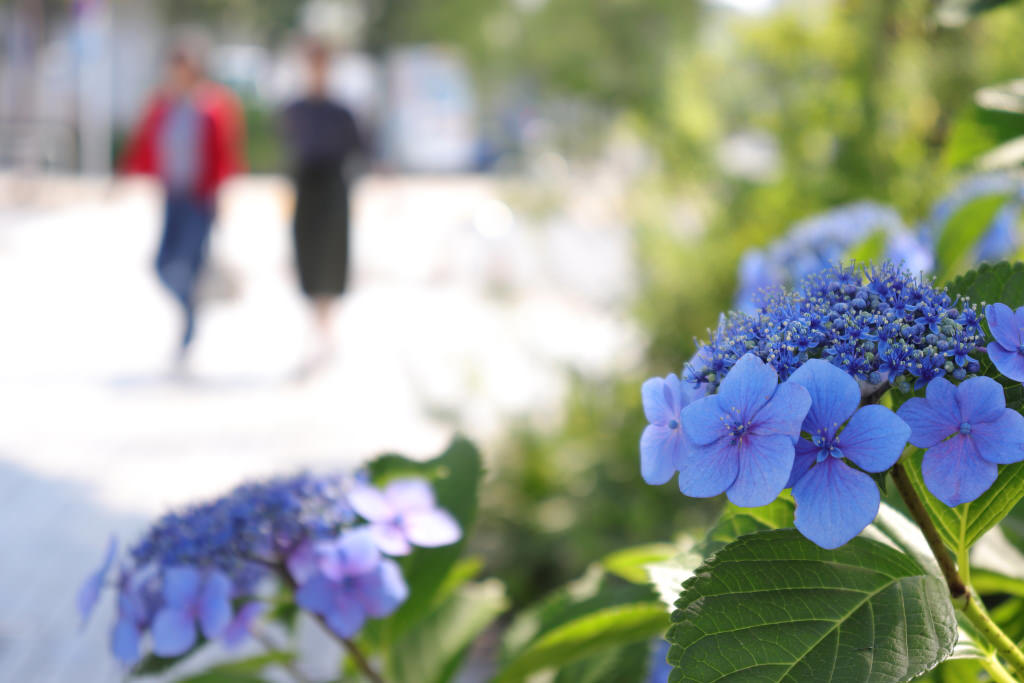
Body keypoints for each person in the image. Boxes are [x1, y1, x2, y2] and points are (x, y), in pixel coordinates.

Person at [120, 34, 244, 362]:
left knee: (189, 262)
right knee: (163, 264)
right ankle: (191, 306)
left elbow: (224, 153)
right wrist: (124, 177)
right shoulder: (163, 105)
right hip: (172, 195)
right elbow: (144, 144)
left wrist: (222, 194)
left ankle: (189, 323)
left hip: (200, 199)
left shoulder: (213, 104)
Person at [281, 40, 363, 376]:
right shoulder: (294, 109)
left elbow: (358, 153)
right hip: (305, 189)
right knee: (307, 260)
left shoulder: (341, 112)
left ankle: (325, 329)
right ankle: (319, 328)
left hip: (332, 189)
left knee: (331, 261)